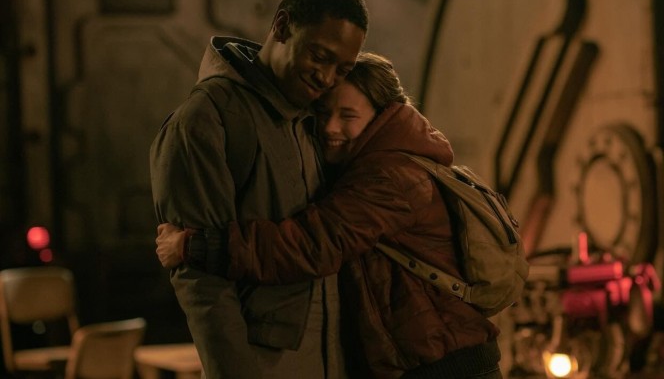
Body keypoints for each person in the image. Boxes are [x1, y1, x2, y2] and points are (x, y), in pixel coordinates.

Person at [156, 52, 503, 379]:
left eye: (348, 116)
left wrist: (195, 246)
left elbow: (311, 245)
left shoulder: (390, 177)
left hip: (446, 368)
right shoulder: (383, 164)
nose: (330, 128)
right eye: (323, 114)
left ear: (385, 114)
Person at [149, 0, 369, 379]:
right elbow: (203, 286)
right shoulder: (206, 120)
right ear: (282, 26)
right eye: (319, 56)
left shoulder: (311, 117)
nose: (326, 78)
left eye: (342, 69)